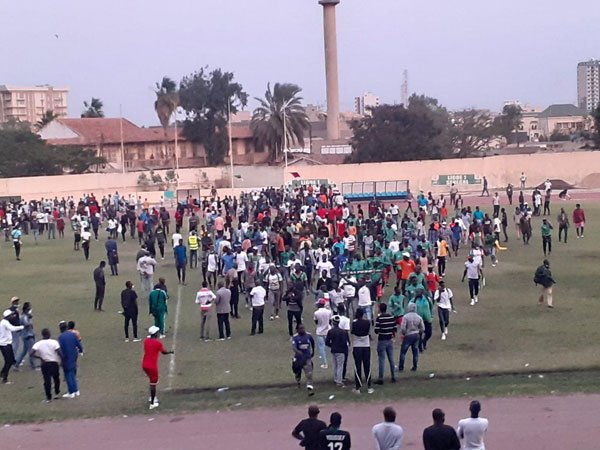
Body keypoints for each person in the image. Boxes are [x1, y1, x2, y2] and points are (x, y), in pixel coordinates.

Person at [142, 325, 174, 410]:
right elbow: (163, 352)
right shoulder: (158, 343)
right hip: (152, 366)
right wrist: (170, 352)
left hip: (144, 365)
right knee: (153, 383)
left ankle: (152, 397)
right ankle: (152, 403)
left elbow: (149, 338)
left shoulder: (146, 341)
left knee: (152, 381)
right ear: (156, 334)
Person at [30, 328, 63, 402]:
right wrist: (61, 361)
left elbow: (31, 353)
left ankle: (48, 398)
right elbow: (60, 353)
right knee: (56, 378)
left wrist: (40, 357)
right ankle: (57, 393)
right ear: (49, 334)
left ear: (42, 335)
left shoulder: (38, 343)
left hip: (45, 363)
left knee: (47, 381)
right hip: (54, 363)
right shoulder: (54, 342)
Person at [351, 308, 374, 394]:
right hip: (366, 346)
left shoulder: (354, 323)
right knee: (367, 366)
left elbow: (353, 332)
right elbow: (368, 332)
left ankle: (358, 387)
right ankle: (369, 387)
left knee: (358, 366)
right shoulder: (367, 322)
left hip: (357, 346)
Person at [58, 321, 83, 398]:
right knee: (72, 373)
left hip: (66, 357)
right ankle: (76, 390)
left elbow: (61, 349)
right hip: (74, 355)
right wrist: (81, 350)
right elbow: (78, 344)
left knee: (67, 374)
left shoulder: (61, 337)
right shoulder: (73, 334)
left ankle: (71, 392)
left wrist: (61, 359)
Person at [374, 303, 396, 385]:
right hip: (389, 339)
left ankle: (381, 378)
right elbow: (394, 328)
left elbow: (376, 330)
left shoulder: (379, 318)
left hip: (382, 340)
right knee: (391, 359)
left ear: (380, 309)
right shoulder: (391, 317)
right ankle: (393, 376)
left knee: (381, 359)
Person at [325, 315, 350, 387]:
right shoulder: (343, 332)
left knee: (335, 365)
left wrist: (332, 346)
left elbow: (327, 342)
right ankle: (339, 381)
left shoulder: (330, 331)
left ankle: (336, 379)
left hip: (334, 350)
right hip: (341, 350)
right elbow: (345, 342)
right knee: (340, 366)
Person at [0, 310, 24, 383]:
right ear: (7, 316)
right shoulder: (5, 323)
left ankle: (2, 374)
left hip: (4, 344)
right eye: (11, 315)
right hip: (5, 344)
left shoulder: (3, 322)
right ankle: (5, 378)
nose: (12, 317)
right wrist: (22, 327)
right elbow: (12, 329)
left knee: (10, 361)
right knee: (9, 362)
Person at [399, 303, 423, 372]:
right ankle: (414, 367)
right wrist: (419, 332)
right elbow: (422, 328)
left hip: (408, 335)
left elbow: (403, 327)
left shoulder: (406, 317)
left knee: (403, 352)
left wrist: (404, 333)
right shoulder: (419, 317)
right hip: (416, 335)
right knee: (415, 352)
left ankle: (401, 367)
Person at [292, 323, 315, 396]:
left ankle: (310, 388)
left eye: (303, 328)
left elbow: (313, 343)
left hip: (307, 357)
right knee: (297, 372)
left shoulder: (308, 335)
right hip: (298, 358)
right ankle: (298, 381)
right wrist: (298, 352)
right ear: (297, 330)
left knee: (309, 373)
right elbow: (294, 347)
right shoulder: (295, 337)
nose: (302, 330)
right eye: (300, 328)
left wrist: (313, 351)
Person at [15, 302, 36, 369]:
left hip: (28, 335)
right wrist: (29, 318)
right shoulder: (24, 316)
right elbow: (26, 325)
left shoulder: (25, 316)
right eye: (29, 307)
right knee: (31, 351)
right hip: (27, 336)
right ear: (27, 309)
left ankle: (16, 364)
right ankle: (33, 366)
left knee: (24, 352)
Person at [314, 299, 332, 369]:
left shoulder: (316, 313)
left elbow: (316, 322)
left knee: (321, 347)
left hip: (320, 331)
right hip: (328, 330)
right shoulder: (329, 312)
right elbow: (330, 321)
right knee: (330, 345)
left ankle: (325, 363)